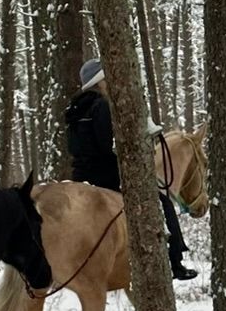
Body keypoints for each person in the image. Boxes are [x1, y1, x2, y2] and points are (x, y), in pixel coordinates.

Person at [64, 59, 196, 281]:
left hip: (81, 176)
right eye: (106, 79)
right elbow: (109, 144)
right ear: (100, 82)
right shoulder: (102, 106)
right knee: (160, 200)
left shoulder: (75, 109)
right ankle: (174, 261)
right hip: (106, 176)